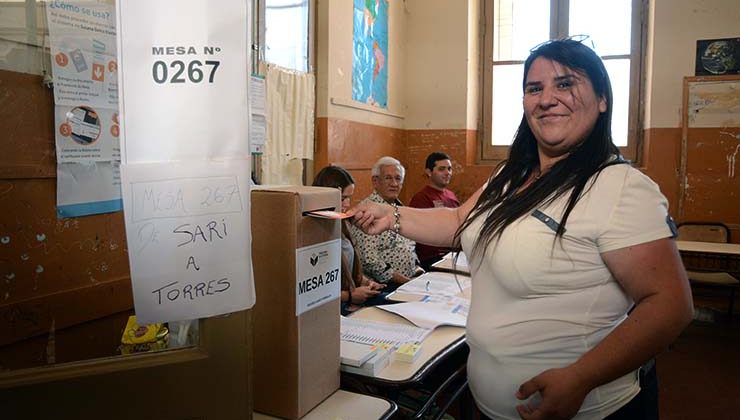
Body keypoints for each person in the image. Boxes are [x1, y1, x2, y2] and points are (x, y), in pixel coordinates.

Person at [349, 39, 693, 419]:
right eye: (534, 88)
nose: (547, 98)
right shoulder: (510, 175)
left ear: (602, 99)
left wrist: (580, 377)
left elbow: (670, 305)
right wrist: (392, 218)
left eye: (565, 84)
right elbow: (458, 222)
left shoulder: (621, 188)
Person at [312, 165, 386, 315]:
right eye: (342, 198)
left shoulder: (342, 223)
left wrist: (367, 283)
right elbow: (314, 291)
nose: (347, 204)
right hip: (338, 307)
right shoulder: (314, 230)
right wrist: (350, 296)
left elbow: (351, 270)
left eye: (349, 198)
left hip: (351, 299)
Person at [347, 156, 423, 291]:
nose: (394, 184)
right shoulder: (368, 211)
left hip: (412, 279)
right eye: (388, 178)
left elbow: (409, 245)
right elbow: (369, 261)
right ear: (375, 181)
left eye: (398, 178)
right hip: (385, 287)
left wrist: (417, 269)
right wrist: (407, 282)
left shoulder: (399, 208)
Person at [410, 151, 461, 269]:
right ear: (429, 172)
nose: (447, 173)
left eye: (449, 169)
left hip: (453, 253)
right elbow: (421, 233)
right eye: (441, 169)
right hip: (432, 258)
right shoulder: (421, 198)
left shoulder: (451, 195)